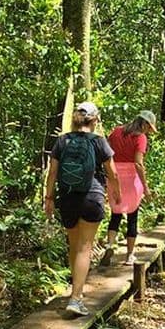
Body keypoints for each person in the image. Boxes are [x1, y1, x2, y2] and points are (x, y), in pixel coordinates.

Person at [44, 102, 121, 316]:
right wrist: (116, 193)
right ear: (94, 120)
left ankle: (75, 291)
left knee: (74, 245)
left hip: (67, 197)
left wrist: (48, 198)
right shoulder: (99, 142)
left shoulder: (62, 141)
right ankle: (76, 298)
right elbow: (112, 172)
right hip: (92, 196)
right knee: (84, 247)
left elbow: (52, 173)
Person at [99, 110, 158, 267]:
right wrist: (145, 187)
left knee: (115, 213)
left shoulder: (116, 132)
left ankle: (110, 245)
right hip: (131, 178)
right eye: (149, 128)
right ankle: (130, 255)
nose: (148, 131)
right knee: (132, 215)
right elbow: (138, 163)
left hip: (114, 175)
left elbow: (107, 155)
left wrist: (107, 179)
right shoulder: (140, 137)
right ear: (144, 124)